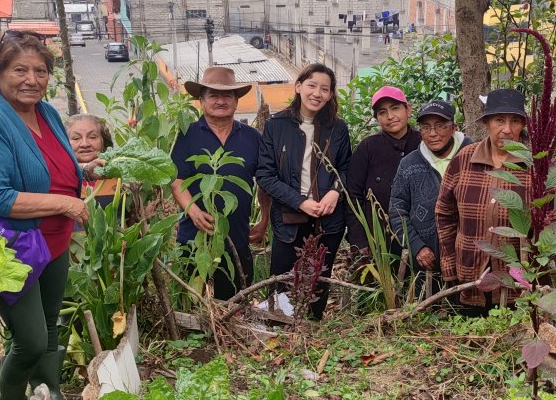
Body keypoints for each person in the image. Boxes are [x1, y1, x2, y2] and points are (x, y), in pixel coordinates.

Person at [0, 31, 101, 400]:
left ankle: (49, 391)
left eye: (40, 71)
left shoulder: (47, 112)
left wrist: (86, 170)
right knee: (30, 340)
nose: (31, 79)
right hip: (14, 247)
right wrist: (64, 205)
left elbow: (54, 168)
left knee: (52, 325)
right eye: (19, 69)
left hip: (53, 241)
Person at [437, 88, 552, 313]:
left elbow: (552, 219)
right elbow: (444, 213)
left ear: (524, 125)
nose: (507, 129)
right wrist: (450, 265)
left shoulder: (539, 167)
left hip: (520, 285)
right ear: (487, 122)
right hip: (470, 277)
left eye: (515, 121)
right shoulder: (464, 159)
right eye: (499, 120)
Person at [256, 63, 352, 320]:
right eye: (312, 86)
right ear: (298, 87)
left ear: (331, 95)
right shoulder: (277, 126)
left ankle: (313, 329)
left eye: (325, 89)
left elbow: (346, 169)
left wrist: (334, 192)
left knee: (319, 279)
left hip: (328, 220)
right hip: (289, 217)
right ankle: (281, 330)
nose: (317, 93)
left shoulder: (338, 129)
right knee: (282, 280)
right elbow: (265, 175)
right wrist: (299, 202)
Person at [171, 66, 263, 300]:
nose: (220, 101)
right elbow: (177, 180)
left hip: (237, 236)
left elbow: (264, 181)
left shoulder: (252, 137)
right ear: (201, 100)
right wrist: (193, 211)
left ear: (236, 101)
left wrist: (265, 219)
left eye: (227, 95)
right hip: (195, 237)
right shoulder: (186, 134)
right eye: (213, 95)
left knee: (236, 301)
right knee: (194, 301)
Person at [388, 100, 470, 292]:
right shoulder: (409, 164)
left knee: (469, 315)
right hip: (428, 262)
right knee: (427, 317)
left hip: (469, 258)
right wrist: (417, 246)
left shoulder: (472, 156)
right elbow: (397, 210)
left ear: (453, 127)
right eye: (426, 127)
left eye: (440, 126)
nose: (433, 133)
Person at [346, 86, 421, 257]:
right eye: (382, 112)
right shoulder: (367, 148)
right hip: (378, 240)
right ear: (377, 118)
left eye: (395, 108)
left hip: (419, 239)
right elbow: (353, 195)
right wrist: (359, 240)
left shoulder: (423, 143)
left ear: (408, 110)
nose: (390, 116)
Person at [67, 114, 117, 208]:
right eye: (76, 138)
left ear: (103, 141)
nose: (85, 144)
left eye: (92, 137)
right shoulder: (58, 177)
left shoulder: (118, 174)